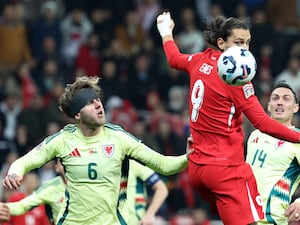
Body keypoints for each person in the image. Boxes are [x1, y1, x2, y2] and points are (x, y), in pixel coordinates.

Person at [156, 11, 300, 225]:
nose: (245, 49)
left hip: (197, 169)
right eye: (239, 42)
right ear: (221, 43)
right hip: (224, 170)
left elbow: (174, 59)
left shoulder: (199, 59)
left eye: (248, 43)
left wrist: (166, 32)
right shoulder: (237, 77)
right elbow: (261, 122)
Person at [2, 75, 192, 225]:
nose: (98, 104)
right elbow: (25, 161)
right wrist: (14, 173)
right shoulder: (63, 139)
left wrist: (187, 157)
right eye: (89, 103)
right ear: (77, 114)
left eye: (97, 100)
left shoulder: (118, 137)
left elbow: (164, 165)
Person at [246, 82, 300, 225]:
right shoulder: (254, 135)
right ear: (269, 106)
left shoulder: (298, 140)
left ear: (296, 107)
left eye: (286, 99)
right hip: (245, 217)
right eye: (275, 98)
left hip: (272, 220)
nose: (280, 102)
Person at [0, 158, 66, 225]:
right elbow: (18, 208)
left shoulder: (41, 203)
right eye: (30, 181)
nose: (31, 184)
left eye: (33, 182)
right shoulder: (48, 189)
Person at [119, 159, 169, 225]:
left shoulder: (133, 164)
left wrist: (149, 215)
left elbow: (162, 189)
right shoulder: (105, 168)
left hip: (136, 221)